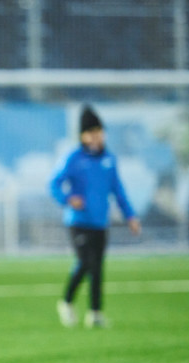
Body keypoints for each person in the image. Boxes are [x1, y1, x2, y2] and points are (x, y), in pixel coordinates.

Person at [49, 105, 141, 328]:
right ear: (82, 135)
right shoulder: (73, 158)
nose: (96, 137)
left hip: (100, 221)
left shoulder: (109, 159)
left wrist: (130, 215)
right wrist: (69, 198)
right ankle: (67, 302)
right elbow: (54, 184)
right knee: (85, 261)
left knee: (98, 267)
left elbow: (118, 190)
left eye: (99, 132)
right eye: (91, 132)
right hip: (78, 221)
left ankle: (95, 313)